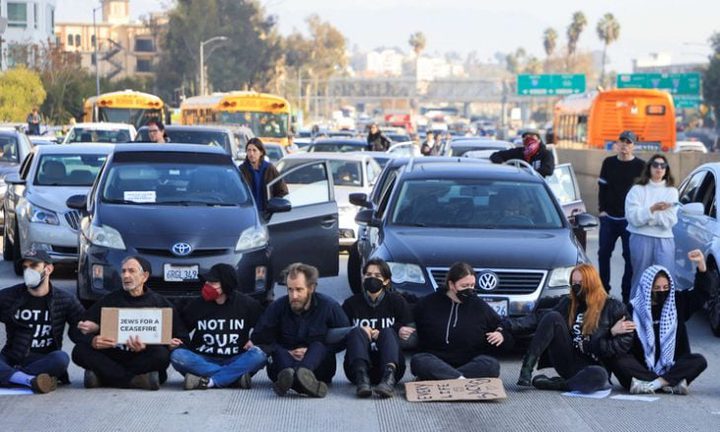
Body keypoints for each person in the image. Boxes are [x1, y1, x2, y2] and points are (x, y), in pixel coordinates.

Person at [512, 263, 634, 393]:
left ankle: (561, 385)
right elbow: (540, 318)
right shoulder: (569, 302)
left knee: (600, 376)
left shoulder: (613, 307)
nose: (576, 286)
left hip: (595, 365)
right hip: (568, 359)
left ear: (591, 283)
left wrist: (609, 334)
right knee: (552, 316)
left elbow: (625, 342)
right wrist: (507, 326)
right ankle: (527, 368)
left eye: (580, 283)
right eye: (574, 283)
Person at [71, 256, 188, 390]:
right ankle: (136, 380)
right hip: (112, 355)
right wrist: (93, 339)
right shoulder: (109, 300)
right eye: (123, 271)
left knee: (161, 356)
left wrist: (169, 344)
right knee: (79, 351)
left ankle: (103, 377)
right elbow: (75, 331)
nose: (126, 275)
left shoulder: (161, 304)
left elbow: (183, 339)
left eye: (131, 271)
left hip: (141, 358)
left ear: (144, 276)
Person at [608, 257, 707, 395]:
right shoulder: (632, 310)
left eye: (665, 288)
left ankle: (654, 384)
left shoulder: (677, 302)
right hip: (641, 368)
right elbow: (617, 344)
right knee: (618, 359)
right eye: (657, 288)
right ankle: (670, 383)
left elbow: (701, 294)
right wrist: (613, 331)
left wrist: (701, 267)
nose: (662, 292)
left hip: (672, 366)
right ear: (647, 289)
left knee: (699, 360)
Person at [253, 263, 350, 398]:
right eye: (290, 289)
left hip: (318, 368)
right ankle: (302, 383)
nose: (294, 295)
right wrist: (286, 351)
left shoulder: (328, 306)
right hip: (283, 364)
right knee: (277, 351)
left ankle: (298, 378)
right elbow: (259, 336)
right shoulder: (278, 307)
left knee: (318, 346)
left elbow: (345, 336)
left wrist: (310, 353)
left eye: (299, 289)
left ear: (311, 288)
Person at [169, 264, 267, 390]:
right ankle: (233, 379)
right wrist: (175, 342)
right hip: (202, 359)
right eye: (207, 281)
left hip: (236, 358)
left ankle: (209, 381)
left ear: (226, 285)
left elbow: (265, 328)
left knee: (260, 356)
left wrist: (254, 340)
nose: (207, 285)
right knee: (178, 356)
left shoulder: (247, 304)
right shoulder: (197, 305)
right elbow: (181, 331)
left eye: (213, 282)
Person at [410, 262, 513, 381]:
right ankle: (460, 379)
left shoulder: (480, 307)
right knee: (419, 361)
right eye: (464, 286)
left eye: (472, 285)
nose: (469, 290)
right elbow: (406, 317)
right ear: (451, 285)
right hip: (435, 360)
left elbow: (503, 329)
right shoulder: (428, 303)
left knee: (491, 365)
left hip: (469, 363)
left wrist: (501, 335)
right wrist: (403, 327)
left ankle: (449, 377)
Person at [0, 250, 85, 394]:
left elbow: (81, 327)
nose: (28, 271)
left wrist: (88, 329)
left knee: (61, 358)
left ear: (48, 269)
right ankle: (31, 381)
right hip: (12, 357)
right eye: (25, 267)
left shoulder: (65, 299)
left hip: (44, 359)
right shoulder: (9, 296)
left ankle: (13, 377)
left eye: (34, 266)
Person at [342, 258, 415, 398]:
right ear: (363, 278)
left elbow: (413, 338)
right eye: (368, 275)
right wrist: (356, 332)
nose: (372, 279)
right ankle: (362, 379)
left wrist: (395, 332)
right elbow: (337, 336)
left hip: (391, 367)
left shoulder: (397, 301)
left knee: (388, 331)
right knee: (357, 330)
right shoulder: (351, 303)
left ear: (386, 281)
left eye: (377, 276)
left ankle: (388, 380)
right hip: (356, 370)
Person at [597, 130, 646, 303]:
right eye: (622, 141)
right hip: (609, 218)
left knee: (629, 257)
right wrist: (601, 210)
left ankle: (627, 296)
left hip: (630, 221)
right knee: (603, 254)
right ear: (617, 144)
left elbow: (645, 192)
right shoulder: (608, 163)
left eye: (629, 142)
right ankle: (603, 292)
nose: (625, 145)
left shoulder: (641, 166)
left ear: (634, 146)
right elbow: (602, 188)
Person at [625, 154, 679, 298]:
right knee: (640, 278)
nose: (659, 168)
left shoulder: (672, 192)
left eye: (663, 165)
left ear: (666, 169)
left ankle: (665, 316)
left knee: (666, 279)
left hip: (664, 240)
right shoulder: (637, 190)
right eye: (655, 165)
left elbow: (670, 220)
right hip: (640, 238)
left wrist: (647, 216)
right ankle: (635, 314)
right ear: (649, 167)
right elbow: (632, 217)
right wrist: (653, 209)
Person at [239, 137, 288, 212]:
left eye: (254, 150)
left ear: (261, 152)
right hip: (247, 213)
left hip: (267, 214)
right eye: (249, 150)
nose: (251, 153)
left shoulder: (269, 169)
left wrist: (273, 205)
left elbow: (283, 190)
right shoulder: (241, 170)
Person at [489, 129, 555, 177]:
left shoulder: (545, 154)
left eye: (532, 137)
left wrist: (530, 173)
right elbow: (495, 155)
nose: (529, 139)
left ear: (539, 140)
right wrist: (504, 164)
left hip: (536, 186)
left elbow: (548, 170)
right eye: (526, 137)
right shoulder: (518, 152)